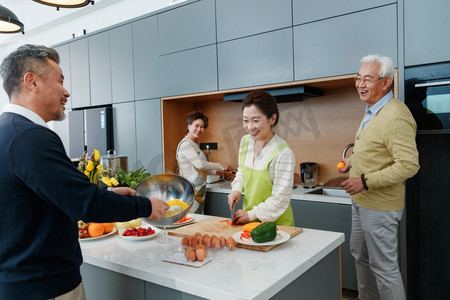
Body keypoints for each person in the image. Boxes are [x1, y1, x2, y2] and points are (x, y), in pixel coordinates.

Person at [0, 44, 169, 300]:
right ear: (31, 82)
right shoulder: (31, 137)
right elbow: (84, 204)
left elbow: (47, 194)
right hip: (46, 286)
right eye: (60, 81)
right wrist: (145, 206)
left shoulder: (9, 133)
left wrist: (107, 191)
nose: (66, 92)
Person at [338, 54, 420, 300]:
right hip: (361, 202)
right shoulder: (372, 110)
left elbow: (409, 164)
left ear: (385, 83)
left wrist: (363, 181)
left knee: (385, 269)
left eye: (368, 79)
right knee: (361, 258)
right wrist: (350, 163)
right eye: (358, 78)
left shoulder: (396, 115)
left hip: (381, 206)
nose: (360, 84)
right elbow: (374, 151)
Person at [227, 90, 295, 226]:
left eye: (256, 120)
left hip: (276, 227)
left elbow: (280, 199)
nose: (250, 127)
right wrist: (237, 189)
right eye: (245, 120)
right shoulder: (245, 141)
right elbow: (242, 171)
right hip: (248, 223)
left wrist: (251, 214)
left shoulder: (283, 153)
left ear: (272, 119)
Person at [176, 110, 231, 213]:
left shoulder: (193, 144)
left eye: (202, 127)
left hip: (198, 189)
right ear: (188, 126)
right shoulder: (186, 145)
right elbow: (200, 165)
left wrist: (214, 172)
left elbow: (195, 168)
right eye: (196, 126)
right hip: (191, 191)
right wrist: (221, 166)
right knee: (192, 220)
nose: (199, 129)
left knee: (197, 220)